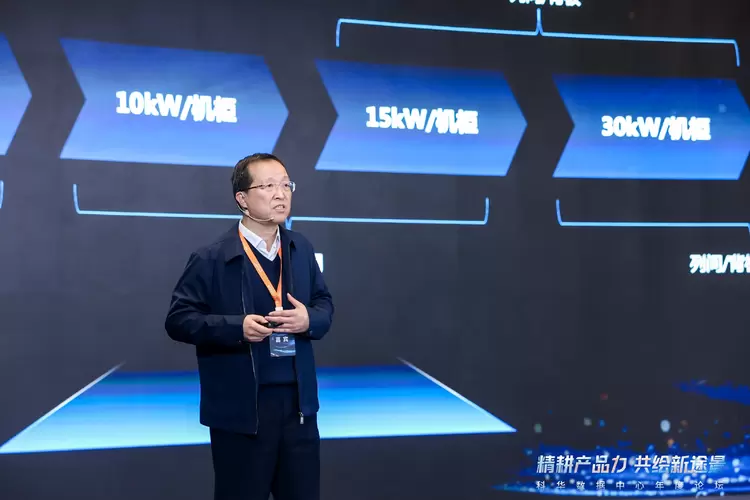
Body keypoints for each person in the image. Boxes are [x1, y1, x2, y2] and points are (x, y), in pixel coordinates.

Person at [165, 153, 334, 500]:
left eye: (286, 185)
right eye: (268, 186)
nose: (280, 194)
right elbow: (179, 320)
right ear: (242, 198)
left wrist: (309, 319)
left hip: (299, 409)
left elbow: (324, 304)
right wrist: (236, 328)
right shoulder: (212, 257)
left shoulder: (300, 248)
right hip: (242, 412)